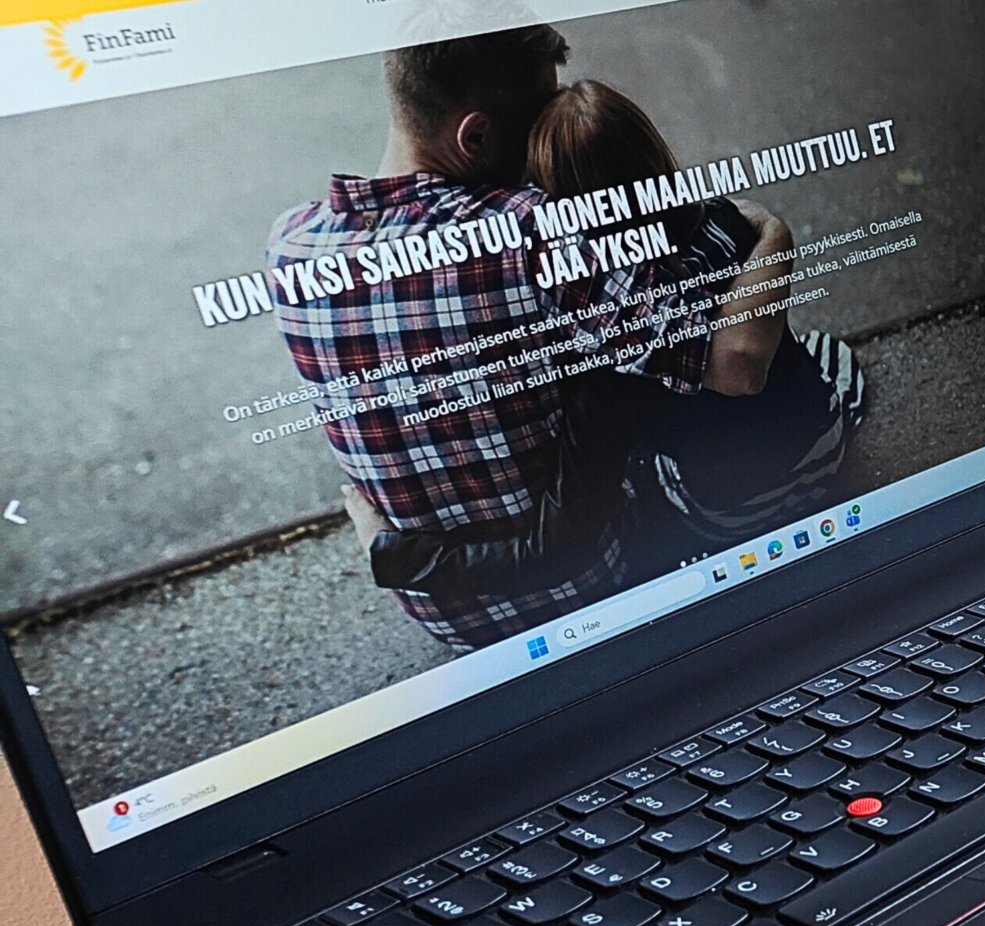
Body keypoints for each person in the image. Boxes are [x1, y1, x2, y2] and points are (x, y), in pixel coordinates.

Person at [268, 27, 790, 650]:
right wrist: (773, 232)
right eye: (538, 118)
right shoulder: (534, 232)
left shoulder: (288, 247)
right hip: (596, 588)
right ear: (476, 136)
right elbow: (733, 362)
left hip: (448, 619)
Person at [355, 79, 868, 598]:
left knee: (645, 467)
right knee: (815, 355)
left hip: (726, 511)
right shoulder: (724, 220)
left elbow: (734, 369)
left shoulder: (616, 325)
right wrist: (772, 231)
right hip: (822, 444)